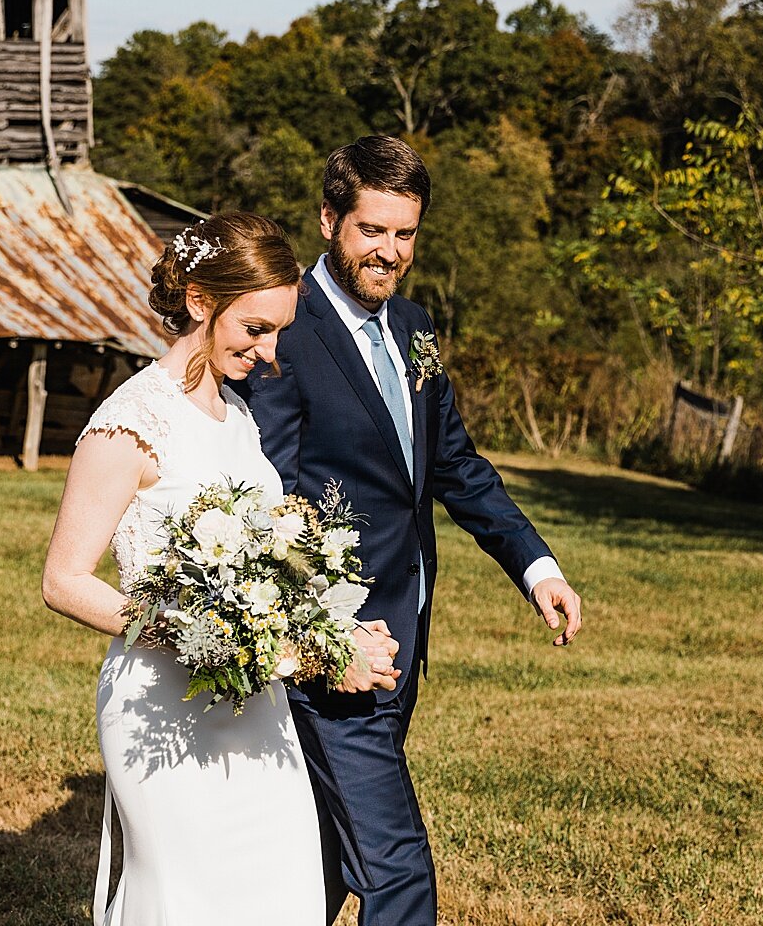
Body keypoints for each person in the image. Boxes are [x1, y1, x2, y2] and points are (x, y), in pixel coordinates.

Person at [235, 136, 585, 926]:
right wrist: (325, 632)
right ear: (331, 221)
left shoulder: (416, 326)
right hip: (335, 649)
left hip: (406, 634)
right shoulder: (285, 329)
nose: (389, 253)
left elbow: (455, 466)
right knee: (397, 871)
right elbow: (268, 496)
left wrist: (537, 568)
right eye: (372, 231)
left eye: (405, 234)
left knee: (320, 860)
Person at [40, 211, 402, 926]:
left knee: (289, 893)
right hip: (161, 707)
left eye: (279, 333)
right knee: (191, 902)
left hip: (257, 705)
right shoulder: (131, 422)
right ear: (201, 303)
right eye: (255, 329)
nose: (269, 353)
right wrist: (203, 637)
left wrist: (334, 639)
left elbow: (268, 572)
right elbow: (64, 581)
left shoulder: (236, 414)